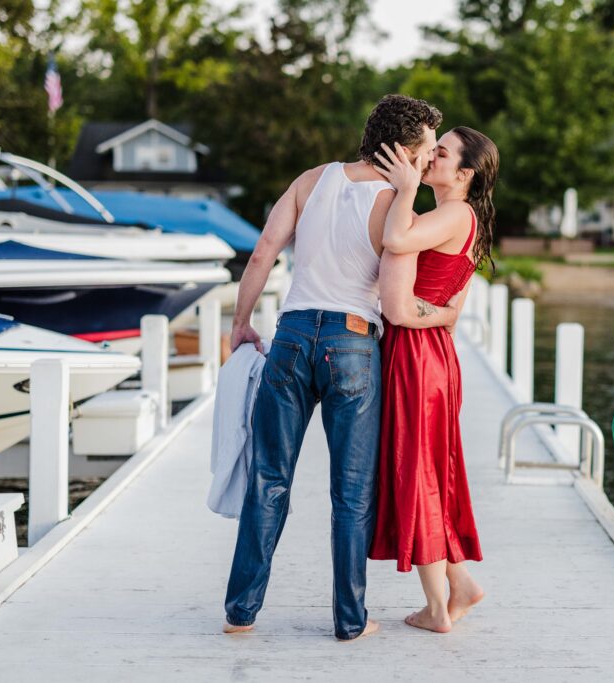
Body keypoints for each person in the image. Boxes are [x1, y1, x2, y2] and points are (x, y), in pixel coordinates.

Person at [222, 94, 463, 641]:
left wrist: (240, 324)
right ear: (403, 149)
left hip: (290, 336)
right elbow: (404, 295)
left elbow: (262, 253)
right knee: (351, 494)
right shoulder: (399, 209)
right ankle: (351, 621)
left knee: (268, 480)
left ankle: (240, 613)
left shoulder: (311, 180)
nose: (429, 162)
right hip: (353, 345)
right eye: (427, 150)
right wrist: (448, 313)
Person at [368, 126, 499, 634]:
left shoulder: (453, 213)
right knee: (428, 471)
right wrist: (430, 316)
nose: (428, 158)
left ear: (463, 174)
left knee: (416, 474)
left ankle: (437, 608)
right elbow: (450, 313)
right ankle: (460, 584)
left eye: (440, 153)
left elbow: (396, 240)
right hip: (434, 355)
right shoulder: (467, 220)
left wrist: (403, 189)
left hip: (417, 359)